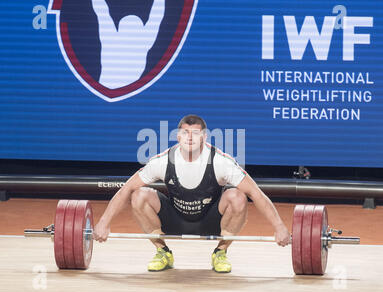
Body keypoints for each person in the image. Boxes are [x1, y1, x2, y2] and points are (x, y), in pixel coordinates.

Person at [93, 114, 290, 273]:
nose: (189, 137)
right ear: (177, 136)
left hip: (212, 221)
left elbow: (255, 193)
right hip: (175, 219)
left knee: (237, 196)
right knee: (138, 194)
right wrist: (103, 223)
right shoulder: (162, 161)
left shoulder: (221, 161)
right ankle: (163, 252)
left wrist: (280, 227)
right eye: (185, 132)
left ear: (204, 137)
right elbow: (126, 189)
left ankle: (220, 252)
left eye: (195, 133)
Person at [91, 0, 165, 88]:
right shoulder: (144, 43)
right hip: (123, 90)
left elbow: (102, 12)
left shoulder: (110, 39)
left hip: (109, 86)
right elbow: (156, 17)